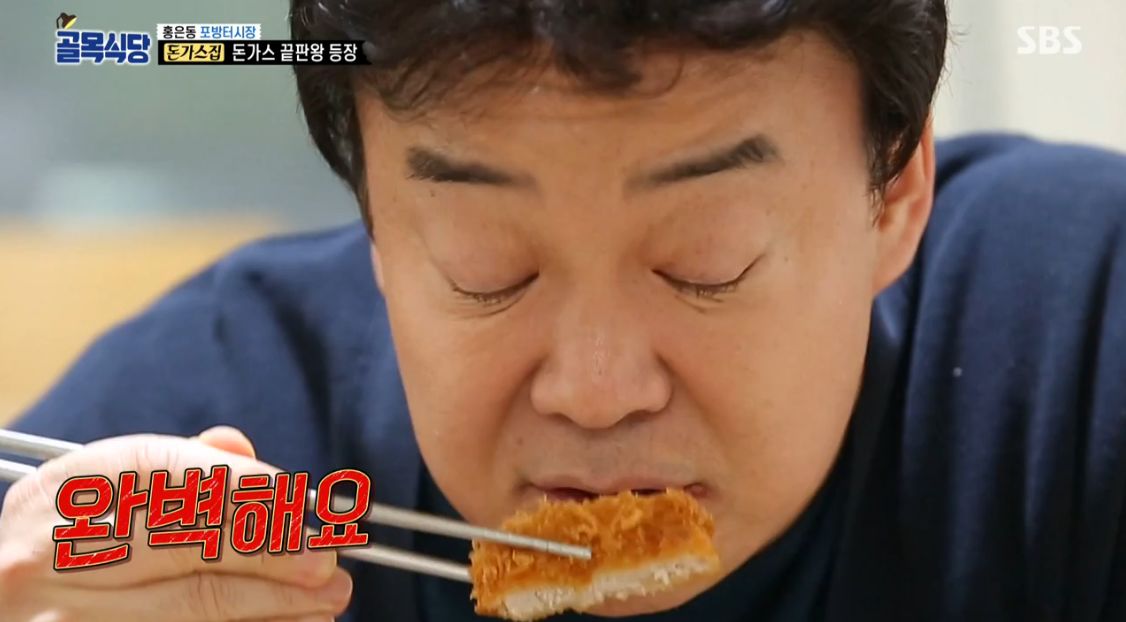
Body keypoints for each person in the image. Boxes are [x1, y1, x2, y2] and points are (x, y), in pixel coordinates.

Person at [2, 1, 1125, 620]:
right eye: (485, 268)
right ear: (376, 225)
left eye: (706, 262)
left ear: (895, 195)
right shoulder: (207, 440)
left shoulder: (1082, 349)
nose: (595, 391)